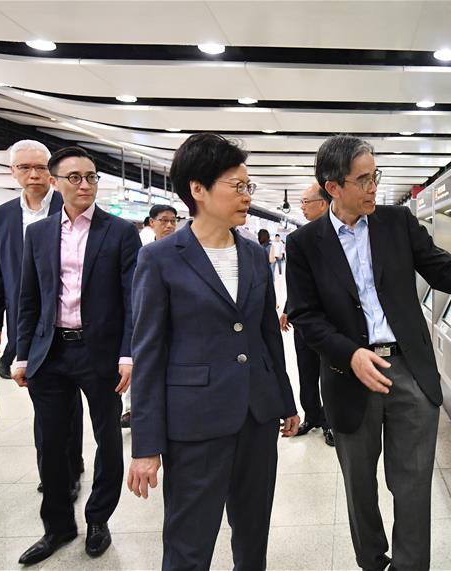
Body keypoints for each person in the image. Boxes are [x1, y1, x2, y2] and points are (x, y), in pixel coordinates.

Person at [286, 135, 451, 570]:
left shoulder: (396, 223)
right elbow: (305, 315)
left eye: (376, 176)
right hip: (350, 375)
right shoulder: (304, 244)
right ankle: (372, 561)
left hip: (408, 368)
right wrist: (350, 354)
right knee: (359, 485)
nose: (374, 187)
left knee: (412, 484)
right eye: (363, 180)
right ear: (333, 187)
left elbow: (442, 268)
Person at [127, 133, 299, 570]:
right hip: (195, 421)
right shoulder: (161, 258)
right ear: (198, 189)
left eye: (248, 186)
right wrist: (146, 446)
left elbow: (266, 335)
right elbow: (149, 354)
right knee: (189, 540)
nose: (246, 196)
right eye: (236, 186)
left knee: (253, 532)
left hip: (257, 415)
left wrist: (285, 400)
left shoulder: (254, 255)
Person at [14, 146, 141, 565]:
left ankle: (98, 518)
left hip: (99, 352)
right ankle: (57, 526)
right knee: (51, 443)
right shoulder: (39, 234)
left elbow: (132, 299)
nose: (84, 184)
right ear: (55, 183)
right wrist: (22, 355)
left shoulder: (119, 232)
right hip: (50, 352)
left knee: (108, 437)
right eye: (74, 178)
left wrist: (128, 353)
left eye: (91, 177)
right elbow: (29, 298)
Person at [0, 140, 84, 491]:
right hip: (27, 322)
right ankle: (56, 470)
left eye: (41, 167)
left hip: (68, 320)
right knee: (45, 402)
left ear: (52, 173)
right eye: (25, 168)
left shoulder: (71, 207)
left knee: (67, 399)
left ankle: (68, 470)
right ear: (13, 172)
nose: (34, 175)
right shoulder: (3, 215)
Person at [280, 181, 333, 446]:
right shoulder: (299, 239)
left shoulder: (336, 236)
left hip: (330, 321)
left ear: (322, 203)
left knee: (329, 373)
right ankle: (312, 415)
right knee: (306, 369)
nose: (301, 207)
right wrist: (288, 308)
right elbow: (298, 281)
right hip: (303, 319)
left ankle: (331, 422)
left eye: (305, 202)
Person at [120, 204, 179, 429]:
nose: (169, 225)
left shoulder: (182, 250)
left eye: (173, 221)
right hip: (145, 316)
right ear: (152, 222)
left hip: (173, 319)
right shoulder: (142, 250)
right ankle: (131, 409)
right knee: (141, 362)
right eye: (164, 220)